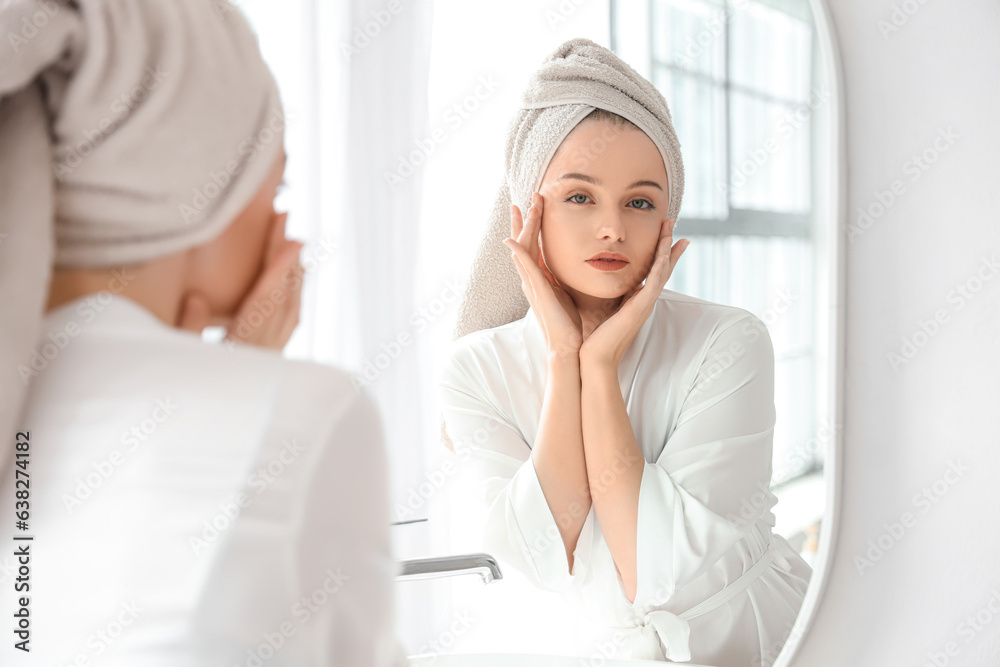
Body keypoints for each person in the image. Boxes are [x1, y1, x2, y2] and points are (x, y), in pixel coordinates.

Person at [0, 1, 406, 665]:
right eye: (277, 184)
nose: (284, 223)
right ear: (198, 190)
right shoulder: (316, 413)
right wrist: (256, 382)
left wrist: (236, 371)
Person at [436, 38, 812, 665]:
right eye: (580, 196)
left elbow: (651, 568)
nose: (612, 227)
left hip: (756, 642)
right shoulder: (475, 371)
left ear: (669, 221)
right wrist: (565, 357)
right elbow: (540, 562)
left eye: (640, 201)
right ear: (528, 214)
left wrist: (599, 366)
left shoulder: (729, 341)